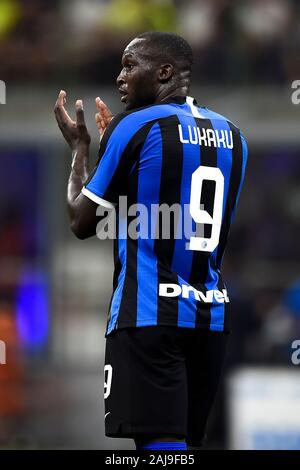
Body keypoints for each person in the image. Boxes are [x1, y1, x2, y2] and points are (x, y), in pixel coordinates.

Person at [54, 31, 248, 451]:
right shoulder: (234, 135)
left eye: (129, 65)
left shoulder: (135, 126)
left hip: (148, 317)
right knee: (185, 446)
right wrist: (118, 154)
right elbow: (162, 203)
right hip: (209, 318)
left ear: (163, 72)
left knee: (158, 447)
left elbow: (82, 221)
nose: (119, 77)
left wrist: (83, 151)